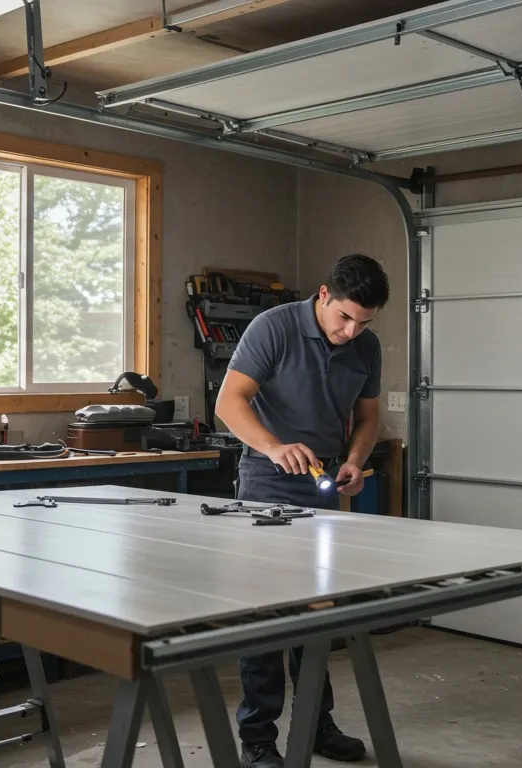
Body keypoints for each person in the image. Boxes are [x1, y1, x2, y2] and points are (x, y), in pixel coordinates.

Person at [213, 253, 389, 768]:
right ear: (323, 295)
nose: (352, 331)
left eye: (364, 322)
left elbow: (367, 417)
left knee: (318, 612)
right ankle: (259, 739)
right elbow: (229, 402)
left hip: (325, 483)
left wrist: (355, 462)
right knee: (267, 613)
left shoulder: (367, 346)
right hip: (268, 477)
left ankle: (314, 722)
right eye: (345, 318)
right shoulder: (273, 328)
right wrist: (272, 447)